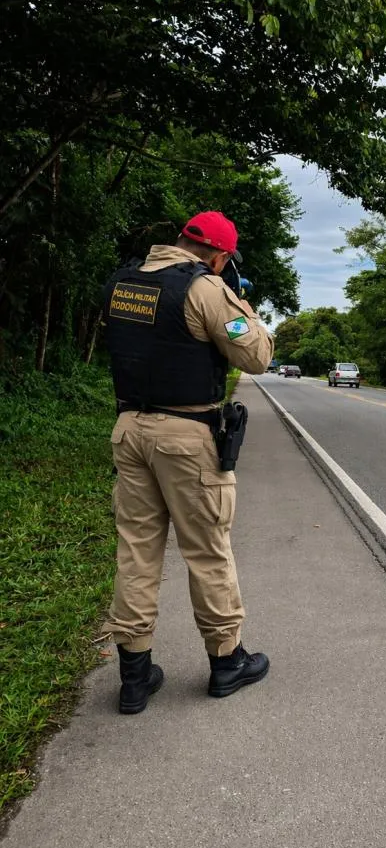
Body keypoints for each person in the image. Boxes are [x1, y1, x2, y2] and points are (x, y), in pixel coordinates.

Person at [101, 211, 274, 714]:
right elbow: (256, 357)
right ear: (220, 255)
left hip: (129, 428)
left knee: (136, 551)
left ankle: (134, 676)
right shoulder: (205, 290)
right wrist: (240, 301)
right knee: (207, 550)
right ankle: (226, 662)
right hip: (186, 436)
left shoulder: (121, 284)